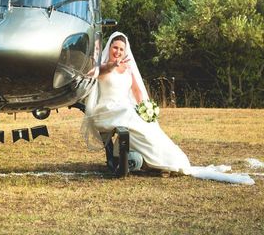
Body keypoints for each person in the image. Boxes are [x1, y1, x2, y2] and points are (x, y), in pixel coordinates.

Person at [82, 31, 254, 184]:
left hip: (125, 110)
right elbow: (92, 73)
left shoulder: (128, 68)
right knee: (130, 114)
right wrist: (112, 65)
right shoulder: (103, 67)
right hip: (107, 110)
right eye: (115, 48)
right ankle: (154, 159)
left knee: (150, 127)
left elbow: (137, 91)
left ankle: (171, 160)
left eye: (121, 49)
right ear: (109, 47)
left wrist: (145, 108)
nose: (118, 52)